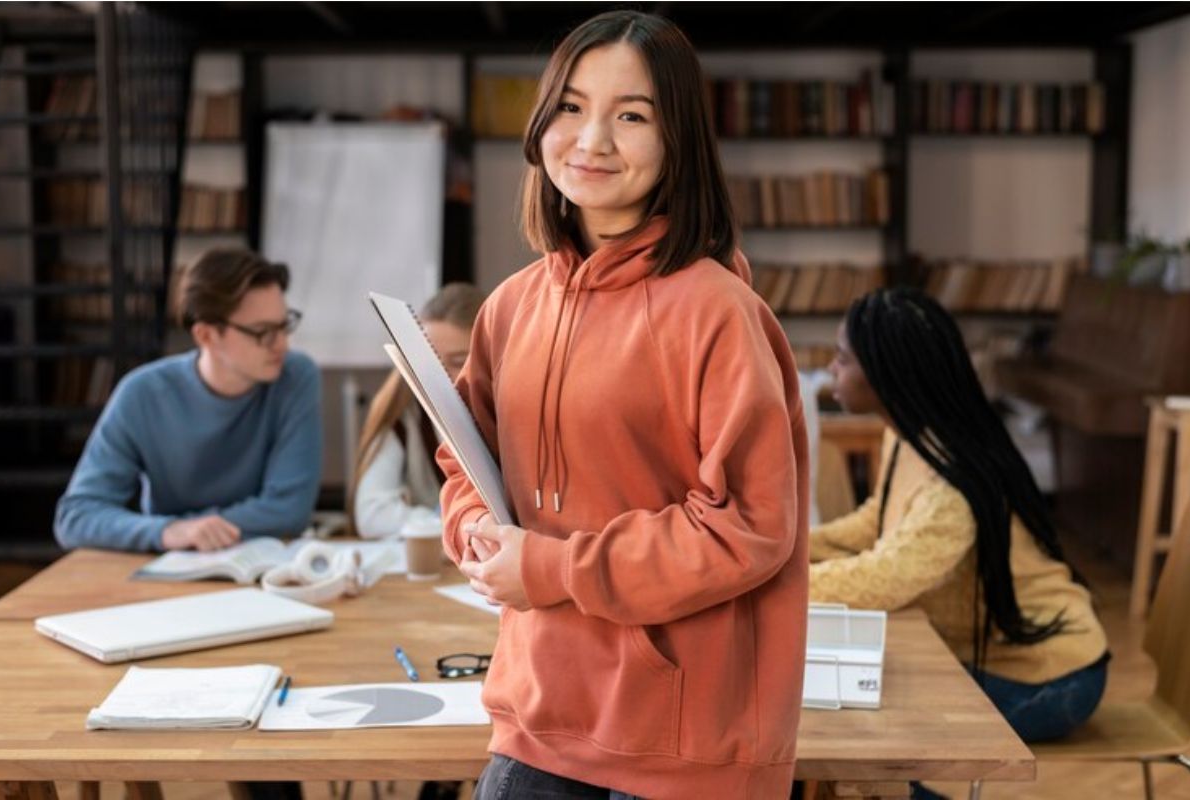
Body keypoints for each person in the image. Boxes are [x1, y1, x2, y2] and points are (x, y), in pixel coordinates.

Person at [438, 11, 810, 800]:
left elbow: (749, 526)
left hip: (683, 738)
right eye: (571, 107)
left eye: (631, 115)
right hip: (539, 709)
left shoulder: (717, 310)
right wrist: (473, 528)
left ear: (679, 140)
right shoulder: (509, 307)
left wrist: (548, 567)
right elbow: (465, 458)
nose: (592, 139)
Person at [811, 287, 1109, 750]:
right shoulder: (912, 437)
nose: (832, 369)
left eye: (843, 359)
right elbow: (878, 524)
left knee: (870, 715)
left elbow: (886, 579)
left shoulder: (952, 484)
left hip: (1049, 677)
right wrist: (787, 548)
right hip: (1002, 658)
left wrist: (776, 583)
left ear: (887, 374)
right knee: (859, 699)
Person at [54, 248, 323, 553]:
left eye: (284, 325)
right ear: (206, 336)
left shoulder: (296, 377)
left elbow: (289, 510)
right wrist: (168, 531)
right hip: (168, 571)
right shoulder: (142, 394)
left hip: (262, 568)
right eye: (263, 332)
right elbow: (76, 517)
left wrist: (195, 529)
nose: (282, 344)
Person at [349, 283, 486, 539]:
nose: (440, 376)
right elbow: (371, 514)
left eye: (458, 362)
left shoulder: (512, 415)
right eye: (429, 360)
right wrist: (447, 523)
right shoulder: (401, 412)